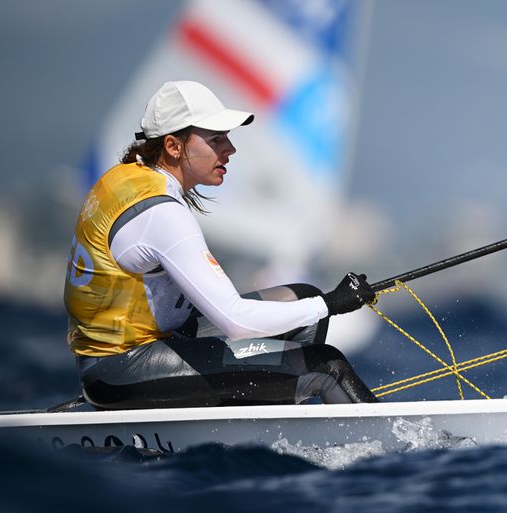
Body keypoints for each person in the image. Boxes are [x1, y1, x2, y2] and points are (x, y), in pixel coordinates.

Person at [64, 80, 378, 409]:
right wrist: (331, 304)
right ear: (173, 146)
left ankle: (265, 409)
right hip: (122, 369)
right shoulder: (162, 214)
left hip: (136, 351)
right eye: (216, 139)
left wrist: (316, 305)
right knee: (327, 366)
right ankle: (382, 443)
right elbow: (235, 321)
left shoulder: (126, 176)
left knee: (303, 299)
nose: (230, 149)